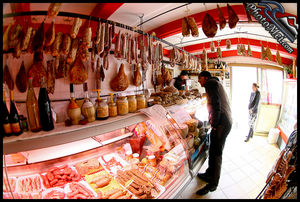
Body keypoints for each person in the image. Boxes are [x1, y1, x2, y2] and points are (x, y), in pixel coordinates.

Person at [196, 71, 232, 195]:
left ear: (205, 78)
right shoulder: (214, 83)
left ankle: (213, 184)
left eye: (200, 79)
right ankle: (208, 174)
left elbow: (215, 104)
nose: (199, 82)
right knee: (212, 149)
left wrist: (215, 124)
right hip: (222, 120)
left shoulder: (210, 83)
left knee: (216, 153)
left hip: (222, 122)